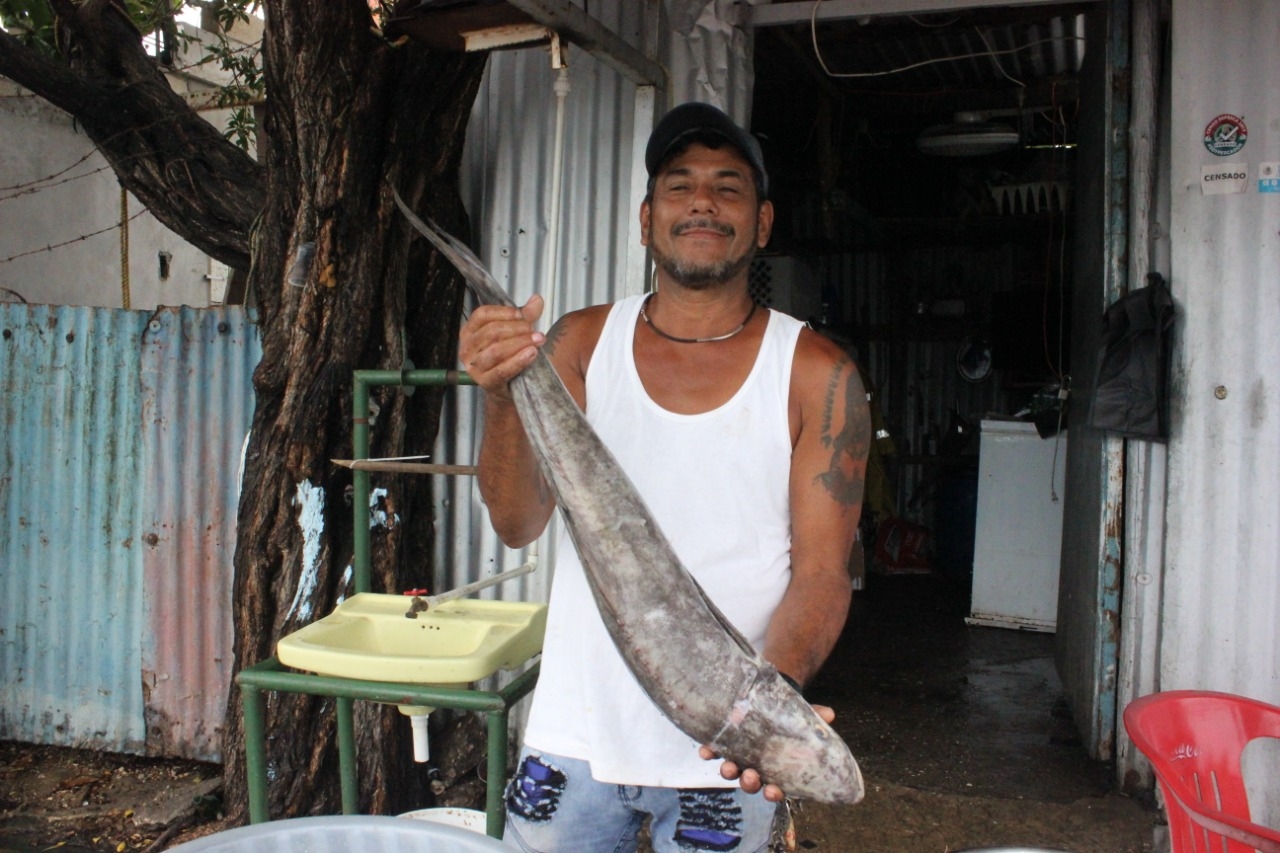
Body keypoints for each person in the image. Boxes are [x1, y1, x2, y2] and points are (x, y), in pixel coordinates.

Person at [458, 101, 870, 853]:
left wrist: (760, 715)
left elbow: (822, 572)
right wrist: (499, 394)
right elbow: (517, 521)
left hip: (725, 754)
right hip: (576, 733)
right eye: (680, 186)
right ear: (646, 219)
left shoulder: (817, 374)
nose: (703, 202)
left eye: (728, 186)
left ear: (764, 221)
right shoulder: (580, 343)